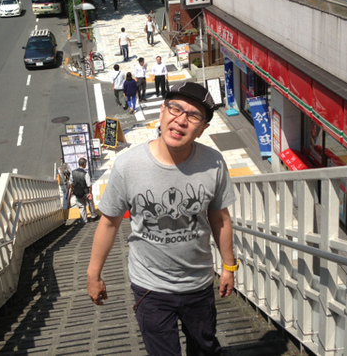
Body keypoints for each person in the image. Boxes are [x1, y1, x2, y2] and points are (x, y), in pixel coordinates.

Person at [87, 81, 237, 356]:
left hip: (198, 283)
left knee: (205, 348)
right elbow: (108, 222)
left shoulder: (213, 163)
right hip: (150, 287)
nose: (181, 120)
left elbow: (220, 219)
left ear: (203, 128)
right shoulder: (128, 165)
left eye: (193, 116)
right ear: (162, 111)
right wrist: (93, 274)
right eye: (175, 108)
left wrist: (229, 267)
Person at [69, 158, 98, 224]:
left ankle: (84, 220)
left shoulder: (72, 173)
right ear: (84, 164)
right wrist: (90, 193)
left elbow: (71, 184)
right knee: (90, 204)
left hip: (77, 193)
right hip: (86, 192)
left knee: (81, 206)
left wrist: (72, 191)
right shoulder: (85, 174)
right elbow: (89, 185)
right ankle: (93, 216)